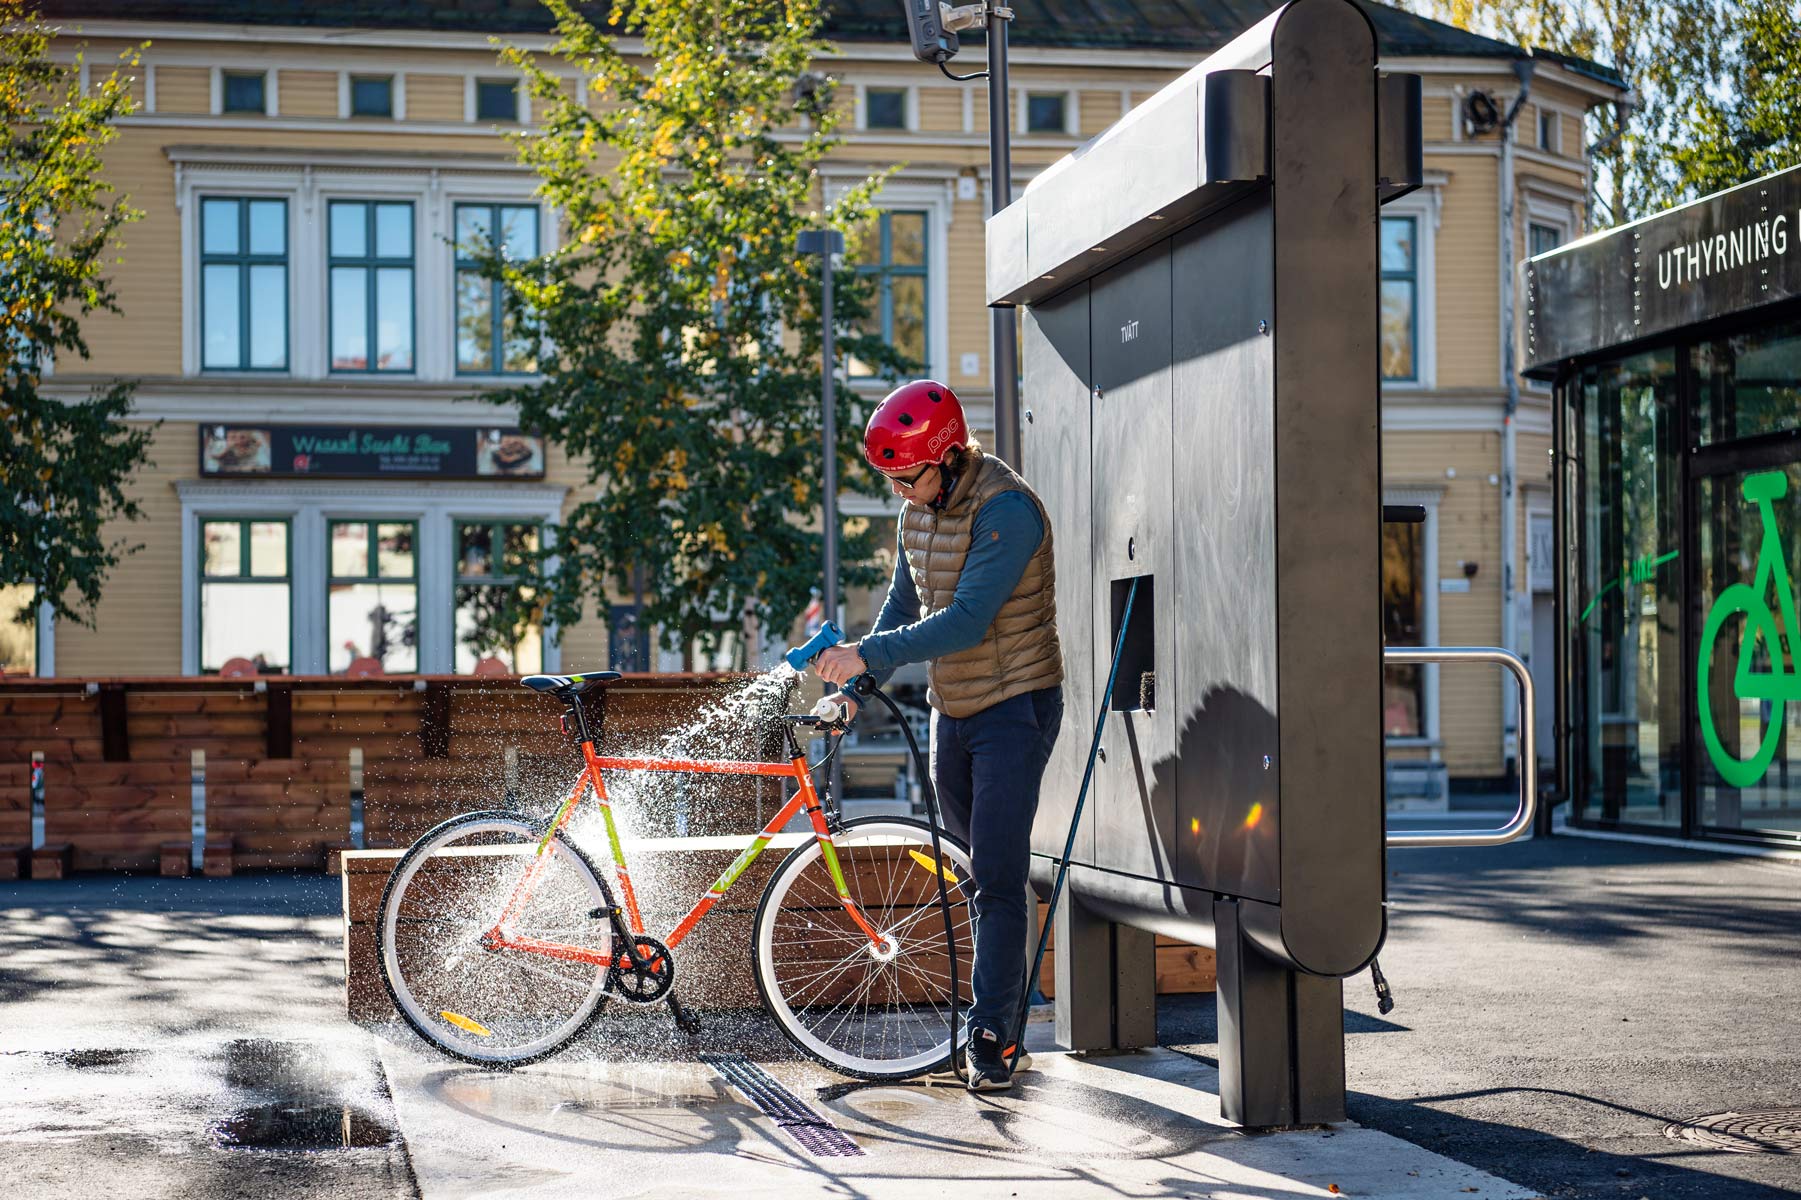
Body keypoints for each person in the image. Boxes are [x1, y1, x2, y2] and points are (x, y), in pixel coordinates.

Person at [813, 378, 1063, 1092]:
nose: (897, 491)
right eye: (887, 479)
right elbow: (903, 604)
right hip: (951, 709)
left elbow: (966, 621)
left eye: (905, 476)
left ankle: (992, 1036)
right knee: (970, 869)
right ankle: (1004, 1011)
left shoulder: (1007, 512)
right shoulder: (915, 514)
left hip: (1015, 706)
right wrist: (857, 689)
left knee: (997, 873)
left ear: (948, 457)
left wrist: (866, 656)